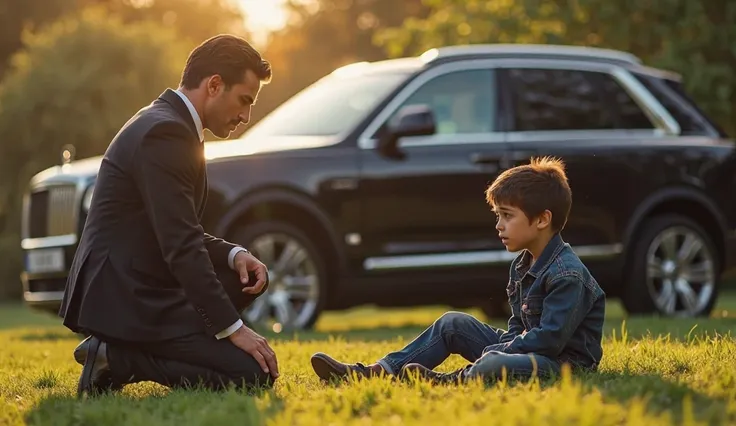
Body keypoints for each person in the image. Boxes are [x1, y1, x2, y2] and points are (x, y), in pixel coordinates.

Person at [59, 34, 280, 397]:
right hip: (127, 295)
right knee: (250, 375)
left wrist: (233, 254)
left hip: (139, 280)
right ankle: (115, 357)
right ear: (213, 85)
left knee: (244, 276)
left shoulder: (169, 123)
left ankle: (130, 352)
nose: (246, 116)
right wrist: (234, 329)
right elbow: (180, 244)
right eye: (244, 100)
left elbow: (175, 228)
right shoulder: (167, 132)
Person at [310, 157, 606, 384]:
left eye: (507, 216)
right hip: (527, 351)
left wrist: (499, 351)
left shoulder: (567, 275)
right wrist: (504, 344)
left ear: (542, 220)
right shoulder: (523, 264)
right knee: (452, 323)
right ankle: (378, 371)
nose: (498, 226)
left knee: (493, 363)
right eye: (498, 216)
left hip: (561, 363)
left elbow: (550, 340)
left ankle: (451, 381)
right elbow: (519, 327)